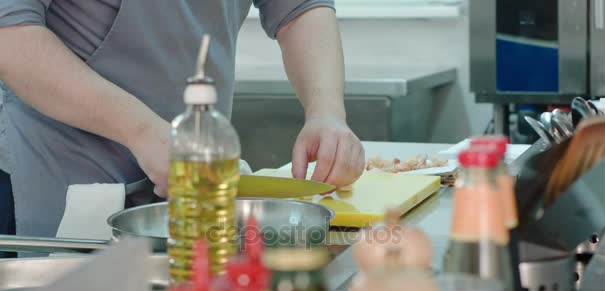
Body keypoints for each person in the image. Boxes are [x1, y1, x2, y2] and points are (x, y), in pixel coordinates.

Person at [0, 1, 364, 239]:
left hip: (192, 193)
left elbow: (299, 10)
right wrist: (141, 131)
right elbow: (12, 38)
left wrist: (327, 111)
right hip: (60, 186)